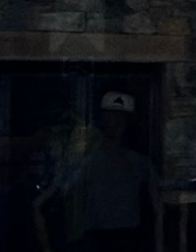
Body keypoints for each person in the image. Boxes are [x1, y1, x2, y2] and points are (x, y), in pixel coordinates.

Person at [33, 91, 163, 252]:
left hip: (128, 238)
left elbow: (159, 209)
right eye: (110, 118)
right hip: (95, 239)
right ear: (102, 120)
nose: (114, 124)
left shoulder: (140, 163)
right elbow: (41, 203)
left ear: (128, 123)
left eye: (119, 119)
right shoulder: (85, 161)